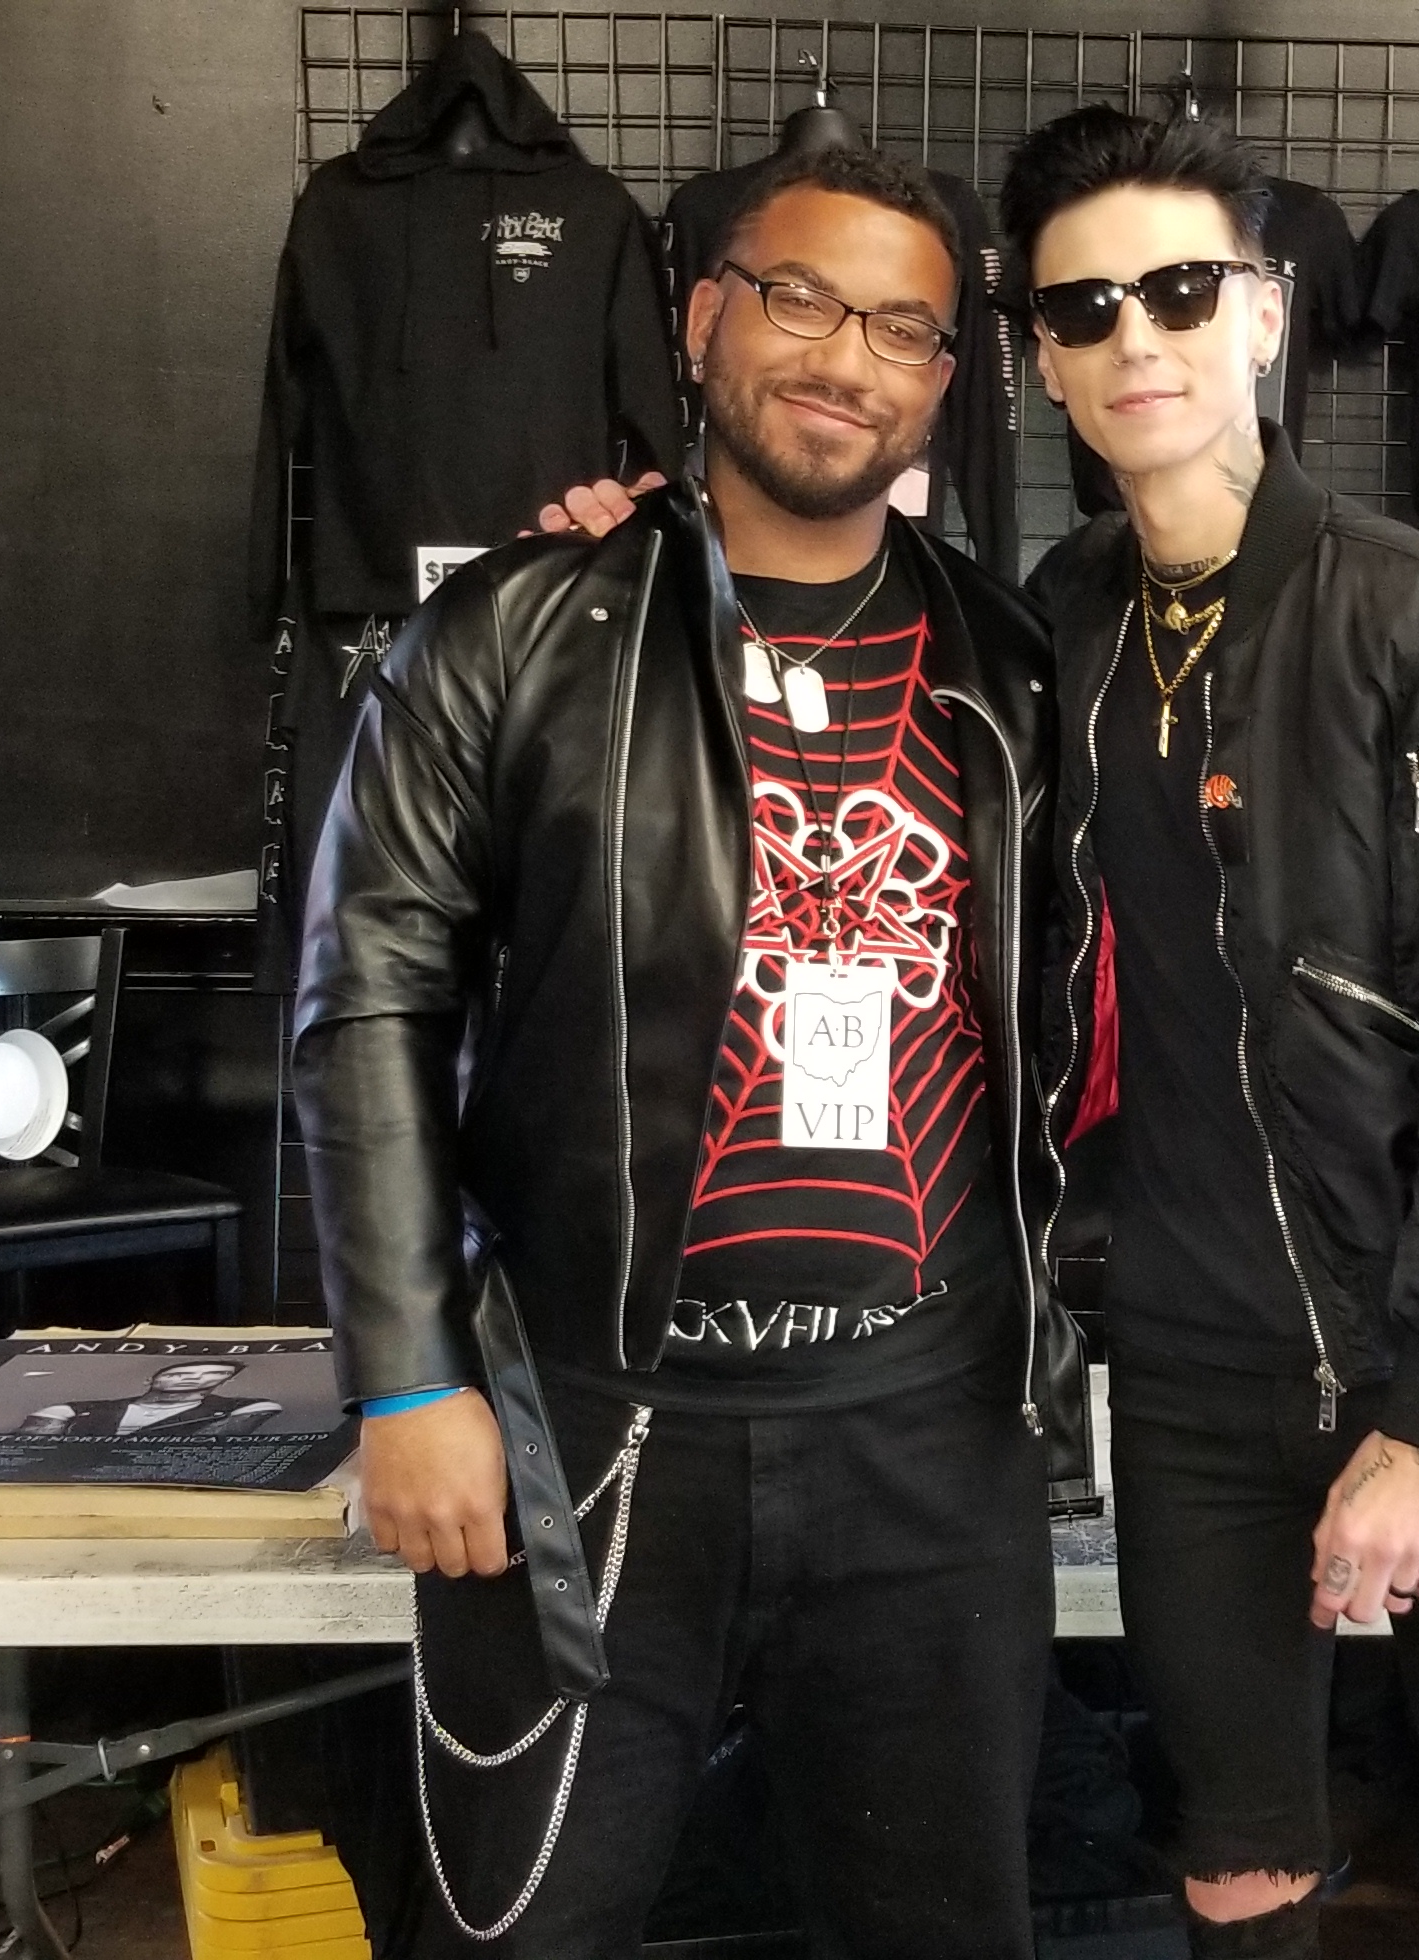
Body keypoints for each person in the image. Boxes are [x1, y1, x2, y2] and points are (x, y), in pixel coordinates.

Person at [295, 140, 1076, 1959]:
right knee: (515, 1928)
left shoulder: (1014, 667)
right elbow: (370, 997)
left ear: (943, 382)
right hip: (589, 1422)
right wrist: (405, 1380)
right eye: (800, 300)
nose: (845, 359)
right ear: (706, 317)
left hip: (929, 1431)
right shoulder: (511, 631)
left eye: (901, 327)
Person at [1010, 107, 1419, 1960]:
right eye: (1085, 306)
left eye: (1181, 290)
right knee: (1238, 1869)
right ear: (1040, 357)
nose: (1137, 337)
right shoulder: (1052, 629)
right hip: (1186, 1370)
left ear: (1264, 313)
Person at [18, 1358, 286, 1436]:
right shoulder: (73, 1410)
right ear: (150, 1380)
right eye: (178, 1374)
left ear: (226, 1381)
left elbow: (209, 1443)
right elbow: (35, 1448)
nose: (194, 1378)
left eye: (214, 1374)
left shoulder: (245, 1407)